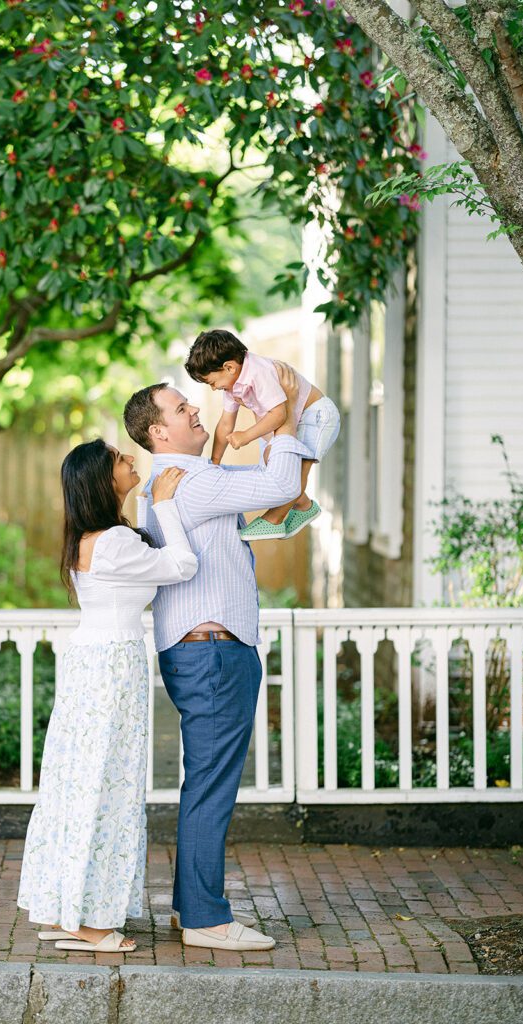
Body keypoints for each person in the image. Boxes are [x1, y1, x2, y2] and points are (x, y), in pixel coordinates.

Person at [123, 362, 308, 952]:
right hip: (215, 654)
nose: (194, 410)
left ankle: (190, 908)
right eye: (181, 408)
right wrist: (280, 415)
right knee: (210, 786)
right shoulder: (191, 483)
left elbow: (264, 502)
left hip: (204, 651)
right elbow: (279, 484)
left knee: (202, 782)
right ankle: (205, 918)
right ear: (157, 433)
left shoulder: (182, 482)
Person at [17, 440, 198, 954]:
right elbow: (182, 565)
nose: (131, 461)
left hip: (89, 661)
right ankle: (90, 922)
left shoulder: (90, 538)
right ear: (102, 479)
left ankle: (67, 906)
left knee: (77, 782)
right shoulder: (115, 543)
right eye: (121, 459)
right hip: (113, 665)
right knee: (106, 785)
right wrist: (164, 504)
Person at [185, 328, 340, 541]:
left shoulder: (259, 372)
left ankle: (273, 520)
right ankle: (304, 505)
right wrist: (215, 460)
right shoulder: (232, 385)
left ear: (229, 367)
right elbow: (225, 424)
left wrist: (246, 435)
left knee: (296, 470)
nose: (213, 389)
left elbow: (279, 414)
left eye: (212, 382)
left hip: (315, 416)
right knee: (272, 463)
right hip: (289, 421)